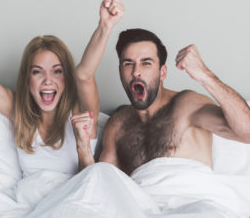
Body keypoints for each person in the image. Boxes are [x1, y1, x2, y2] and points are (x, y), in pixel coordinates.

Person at [0, 0, 124, 177]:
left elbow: (85, 75)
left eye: (57, 71)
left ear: (67, 78)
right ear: (27, 79)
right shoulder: (19, 111)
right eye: (37, 71)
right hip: (30, 207)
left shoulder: (82, 112)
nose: (48, 80)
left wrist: (104, 27)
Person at [73, 28, 250, 174]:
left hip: (193, 205)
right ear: (120, 71)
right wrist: (83, 147)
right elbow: (99, 188)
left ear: (162, 72)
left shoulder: (187, 105)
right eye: (128, 63)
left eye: (146, 63)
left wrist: (204, 75)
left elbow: (247, 132)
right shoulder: (118, 125)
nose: (136, 72)